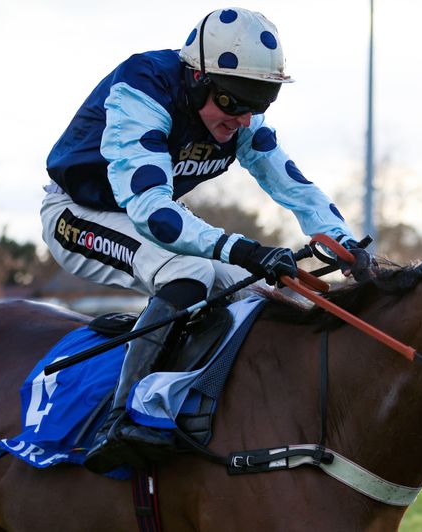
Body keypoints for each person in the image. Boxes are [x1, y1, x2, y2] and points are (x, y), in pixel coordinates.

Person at [41, 7, 372, 474]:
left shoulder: (238, 114)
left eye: (258, 103)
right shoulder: (143, 89)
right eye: (233, 102)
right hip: (78, 213)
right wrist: (247, 249)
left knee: (264, 291)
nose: (242, 117)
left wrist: (345, 243)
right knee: (190, 270)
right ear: (196, 77)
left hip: (146, 214)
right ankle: (123, 419)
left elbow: (292, 186)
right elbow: (155, 214)